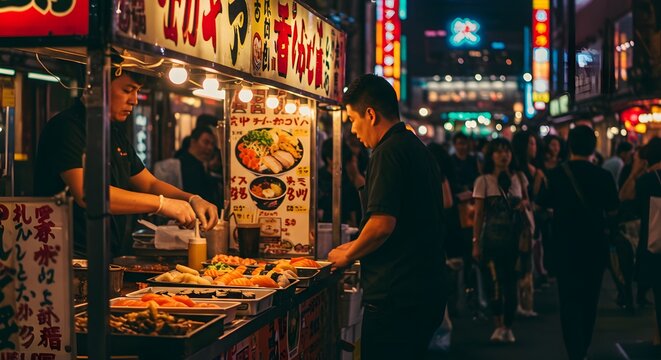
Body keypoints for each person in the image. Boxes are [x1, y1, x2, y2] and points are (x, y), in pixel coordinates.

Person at [34, 55, 218, 259]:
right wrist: (162, 205)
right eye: (127, 90)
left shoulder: (114, 133)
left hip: (106, 254)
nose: (134, 100)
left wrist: (192, 199)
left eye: (137, 91)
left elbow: (149, 183)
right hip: (67, 256)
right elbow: (88, 194)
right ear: (98, 86)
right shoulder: (67, 127)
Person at [327, 74, 447, 360]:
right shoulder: (417, 148)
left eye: (353, 119)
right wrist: (355, 245)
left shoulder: (388, 153)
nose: (353, 130)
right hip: (425, 291)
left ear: (370, 114)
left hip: (397, 298)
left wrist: (349, 254)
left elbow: (382, 224)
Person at [539, 125, 619, 360]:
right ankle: (583, 346)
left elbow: (541, 204)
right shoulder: (603, 176)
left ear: (569, 145)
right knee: (590, 298)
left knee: (569, 299)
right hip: (595, 246)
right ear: (593, 146)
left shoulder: (556, 175)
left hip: (565, 246)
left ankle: (575, 351)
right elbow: (614, 211)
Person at [472, 138, 528, 343]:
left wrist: (524, 206)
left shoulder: (519, 178)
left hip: (515, 241)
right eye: (498, 152)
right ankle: (498, 325)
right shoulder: (483, 181)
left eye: (507, 151)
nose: (503, 155)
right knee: (493, 284)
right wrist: (476, 243)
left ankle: (508, 326)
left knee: (512, 285)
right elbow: (478, 215)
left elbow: (528, 204)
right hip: (491, 241)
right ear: (491, 156)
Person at [317, 138, 362, 227]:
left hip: (347, 226)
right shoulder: (319, 177)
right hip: (324, 227)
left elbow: (354, 202)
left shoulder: (348, 175)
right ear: (329, 159)